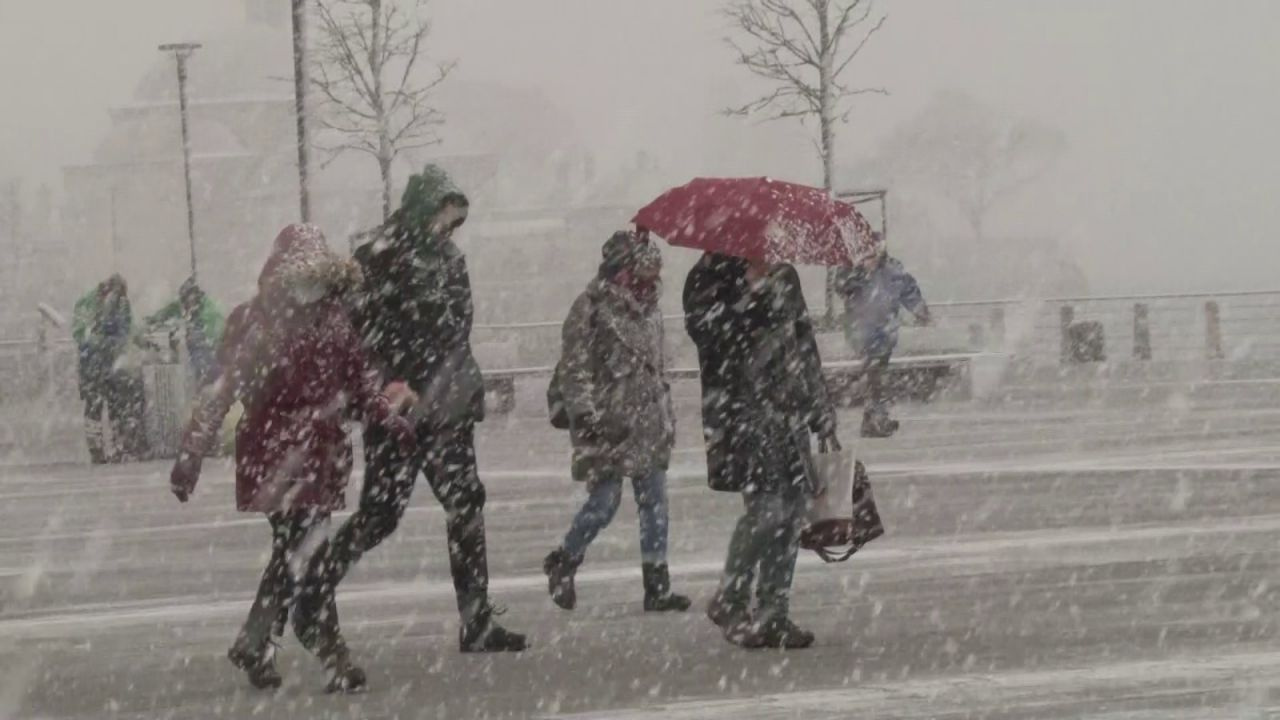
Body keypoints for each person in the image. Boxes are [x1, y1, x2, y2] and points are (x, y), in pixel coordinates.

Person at [293, 164, 528, 655]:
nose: (448, 226)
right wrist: (391, 381)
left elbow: (459, 325)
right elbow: (359, 330)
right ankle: (313, 589)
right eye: (443, 214)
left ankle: (476, 619)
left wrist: (445, 384)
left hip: (447, 409)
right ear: (424, 207)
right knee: (380, 514)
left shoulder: (449, 260)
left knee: (466, 505)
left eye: (454, 218)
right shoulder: (379, 256)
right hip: (397, 410)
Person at [169, 224, 414, 693]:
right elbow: (220, 392)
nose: (312, 285)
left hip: (318, 453)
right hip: (276, 452)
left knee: (296, 552)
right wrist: (191, 453)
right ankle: (326, 650)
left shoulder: (335, 320)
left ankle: (259, 643)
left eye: (319, 276)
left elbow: (361, 383)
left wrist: (387, 417)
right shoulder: (258, 323)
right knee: (307, 550)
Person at [684, 252, 838, 649]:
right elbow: (707, 337)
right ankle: (731, 596)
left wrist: (821, 407)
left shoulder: (785, 275)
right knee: (767, 511)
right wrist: (747, 294)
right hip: (741, 414)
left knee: (791, 514)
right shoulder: (708, 277)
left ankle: (774, 611)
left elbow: (804, 343)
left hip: (789, 413)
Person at [542, 231, 690, 612]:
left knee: (654, 504)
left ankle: (657, 586)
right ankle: (565, 559)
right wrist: (586, 416)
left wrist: (666, 414)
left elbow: (658, 366)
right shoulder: (590, 307)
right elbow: (575, 370)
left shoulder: (652, 308)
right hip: (606, 422)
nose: (652, 279)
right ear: (624, 268)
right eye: (644, 270)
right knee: (604, 502)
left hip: (648, 420)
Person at [835, 242, 929, 438]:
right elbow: (841, 287)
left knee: (876, 376)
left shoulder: (892, 270)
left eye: (875, 252)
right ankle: (877, 417)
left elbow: (907, 289)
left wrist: (921, 311)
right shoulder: (851, 268)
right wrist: (860, 273)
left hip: (884, 331)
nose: (872, 257)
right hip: (862, 332)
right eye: (868, 253)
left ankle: (873, 419)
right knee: (875, 375)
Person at [72, 274, 147, 463]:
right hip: (97, 364)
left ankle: (112, 448)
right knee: (98, 407)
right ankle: (101, 449)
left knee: (112, 405)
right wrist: (105, 344)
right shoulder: (89, 304)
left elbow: (127, 329)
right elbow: (82, 334)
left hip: (107, 364)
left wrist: (141, 341)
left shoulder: (118, 303)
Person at [145, 276, 225, 386]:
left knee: (205, 367)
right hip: (197, 354)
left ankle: (208, 386)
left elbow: (212, 333)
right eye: (185, 302)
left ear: (196, 297)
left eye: (189, 302)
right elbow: (170, 309)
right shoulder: (185, 304)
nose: (186, 306)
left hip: (210, 352)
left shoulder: (209, 310)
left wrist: (196, 335)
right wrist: (153, 319)